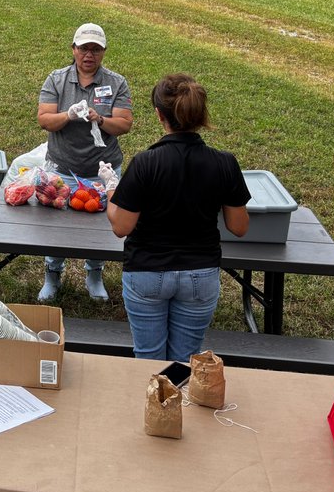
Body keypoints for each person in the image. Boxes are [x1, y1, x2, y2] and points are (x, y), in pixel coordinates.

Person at [104, 73, 250, 363]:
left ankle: (154, 408)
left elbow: (121, 227)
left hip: (147, 272)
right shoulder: (225, 163)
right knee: (185, 363)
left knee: (148, 361)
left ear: (160, 115)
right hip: (201, 274)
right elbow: (239, 226)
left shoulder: (146, 163)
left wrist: (111, 189)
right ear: (200, 115)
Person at [35, 22, 133, 302]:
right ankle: (52, 273)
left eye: (95, 50)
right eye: (83, 48)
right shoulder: (56, 79)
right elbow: (44, 120)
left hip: (103, 172)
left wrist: (100, 119)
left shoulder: (116, 83)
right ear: (73, 49)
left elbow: (124, 124)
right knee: (55, 225)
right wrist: (69, 115)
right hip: (61, 168)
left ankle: (94, 273)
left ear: (103, 53)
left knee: (99, 226)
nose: (89, 55)